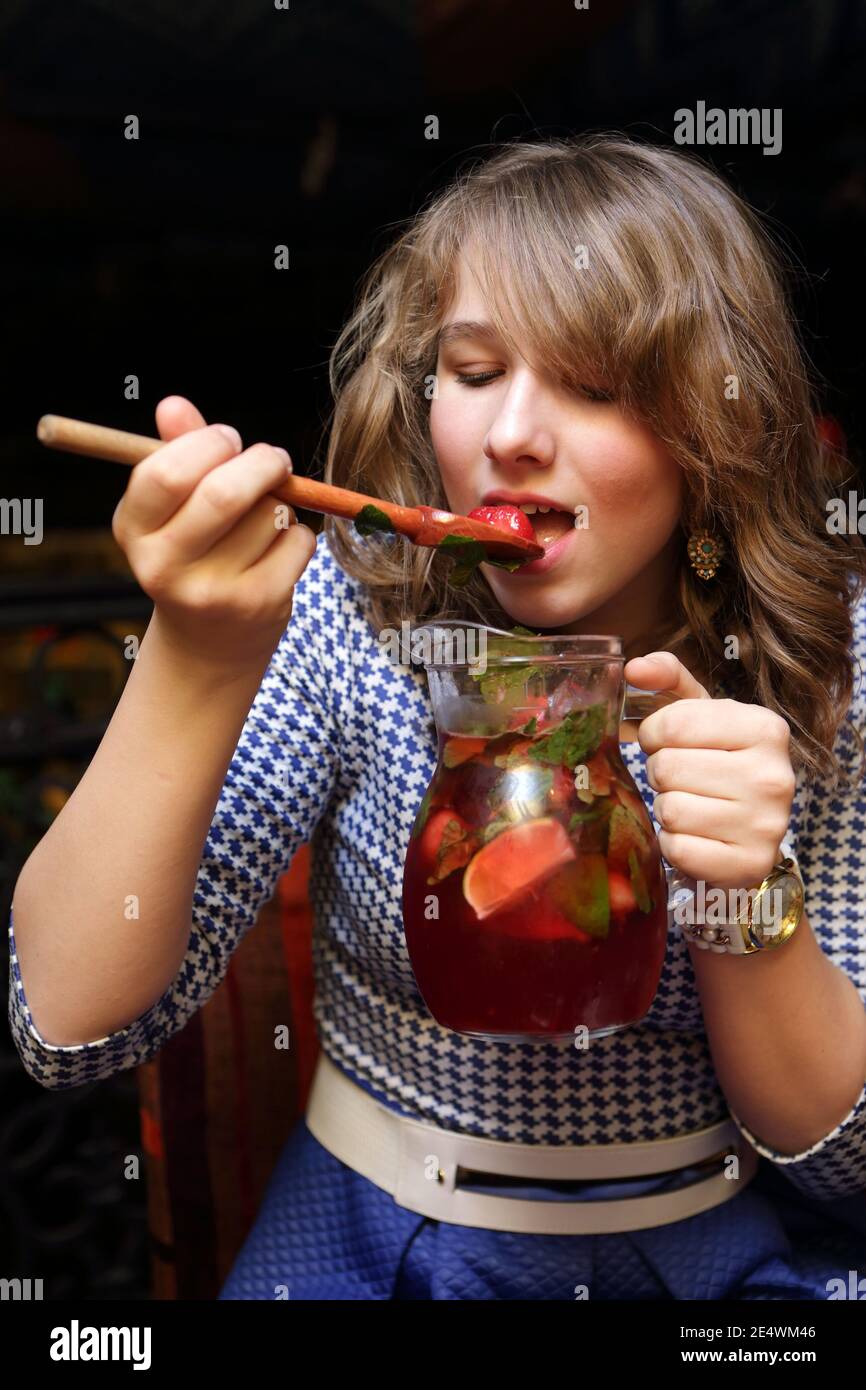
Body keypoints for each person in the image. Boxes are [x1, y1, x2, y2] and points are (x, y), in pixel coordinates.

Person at [9, 133, 866, 1301]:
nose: (509, 433)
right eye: (471, 372)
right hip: (374, 1250)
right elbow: (65, 1027)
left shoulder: (828, 654)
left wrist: (744, 899)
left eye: (594, 383)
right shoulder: (344, 614)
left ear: (714, 421)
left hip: (714, 1261)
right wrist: (195, 655)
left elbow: (841, 1164)